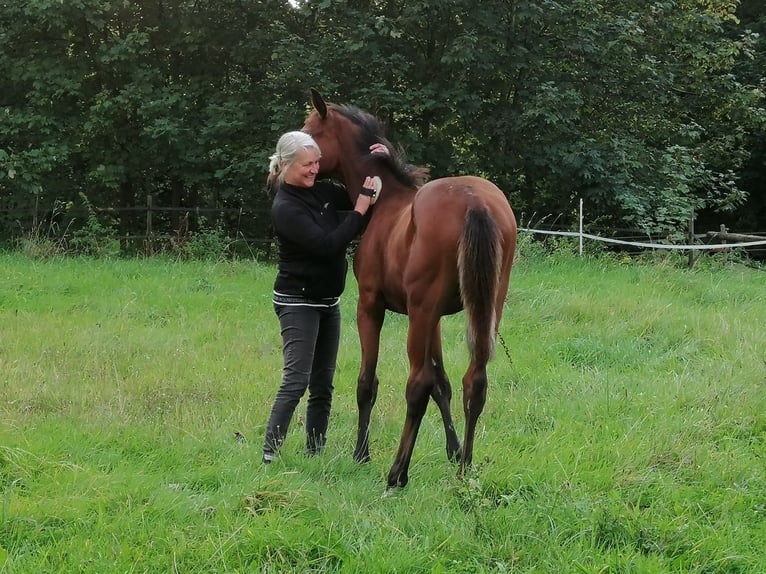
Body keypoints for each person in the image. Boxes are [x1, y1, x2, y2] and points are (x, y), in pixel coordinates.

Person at [262, 130, 385, 464]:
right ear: (286, 165)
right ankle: (269, 454)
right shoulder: (285, 207)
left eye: (317, 163)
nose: (315, 170)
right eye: (307, 165)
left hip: (328, 302)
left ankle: (314, 453)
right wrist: (360, 210)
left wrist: (379, 160)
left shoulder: (325, 192)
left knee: (323, 384)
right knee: (296, 381)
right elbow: (328, 245)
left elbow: (367, 188)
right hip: (297, 302)